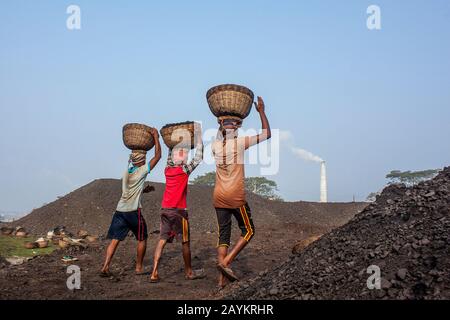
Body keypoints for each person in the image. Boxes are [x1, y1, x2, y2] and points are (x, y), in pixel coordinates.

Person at [212, 96, 271, 288]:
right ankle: (226, 262)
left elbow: (221, 131)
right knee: (249, 230)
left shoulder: (215, 146)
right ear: (236, 128)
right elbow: (266, 134)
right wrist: (261, 111)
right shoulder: (239, 143)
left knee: (223, 236)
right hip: (235, 197)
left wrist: (222, 121)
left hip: (218, 197)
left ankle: (221, 281)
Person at [100, 128, 161, 277]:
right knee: (142, 238)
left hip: (120, 211)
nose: (146, 161)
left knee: (115, 240)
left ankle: (105, 267)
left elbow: (130, 190)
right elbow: (158, 156)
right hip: (133, 212)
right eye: (144, 159)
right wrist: (155, 137)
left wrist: (145, 190)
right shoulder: (141, 171)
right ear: (141, 161)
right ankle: (139, 268)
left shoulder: (127, 172)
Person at [150, 123, 205, 283]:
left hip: (165, 210)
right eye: (184, 153)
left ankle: (154, 272)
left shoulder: (168, 169)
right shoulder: (184, 170)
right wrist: (199, 136)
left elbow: (170, 153)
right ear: (180, 158)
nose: (186, 155)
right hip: (180, 212)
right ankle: (189, 272)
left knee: (162, 240)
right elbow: (199, 157)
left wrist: (172, 142)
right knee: (185, 242)